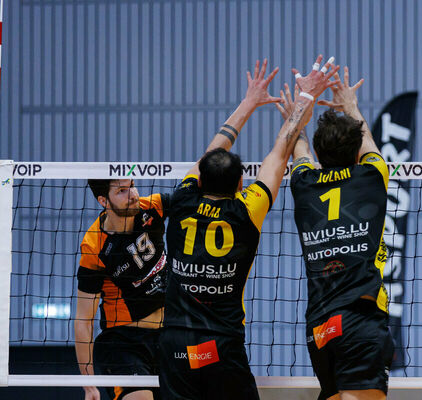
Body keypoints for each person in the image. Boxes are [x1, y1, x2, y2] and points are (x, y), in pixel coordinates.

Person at [157, 56, 339, 400]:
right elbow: (280, 152)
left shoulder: (181, 200)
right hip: (220, 345)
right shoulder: (246, 210)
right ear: (241, 184)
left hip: (175, 344)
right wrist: (305, 98)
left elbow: (212, 153)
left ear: (199, 179)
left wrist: (248, 102)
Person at [279, 67, 394, 400]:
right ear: (356, 152)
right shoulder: (373, 176)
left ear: (318, 153)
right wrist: (350, 105)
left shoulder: (303, 183)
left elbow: (296, 147)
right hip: (361, 320)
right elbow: (368, 143)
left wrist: (299, 110)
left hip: (320, 327)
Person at [75, 179, 170, 400]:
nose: (133, 194)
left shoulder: (151, 207)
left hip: (170, 334)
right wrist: (89, 385)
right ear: (103, 201)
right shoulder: (94, 245)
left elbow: (192, 192)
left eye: (132, 185)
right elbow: (83, 320)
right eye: (122, 191)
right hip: (125, 344)